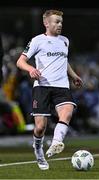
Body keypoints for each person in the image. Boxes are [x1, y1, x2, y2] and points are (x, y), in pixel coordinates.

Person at [16, 9, 83, 170]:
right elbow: (20, 61)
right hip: (42, 86)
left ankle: (56, 142)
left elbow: (63, 61)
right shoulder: (37, 40)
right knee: (40, 127)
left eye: (61, 22)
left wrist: (74, 76)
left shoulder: (65, 41)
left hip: (62, 86)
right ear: (46, 23)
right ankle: (38, 149)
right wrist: (31, 69)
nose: (60, 25)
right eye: (56, 22)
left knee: (67, 112)